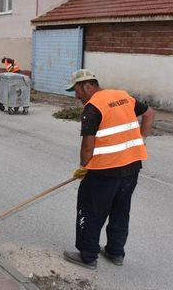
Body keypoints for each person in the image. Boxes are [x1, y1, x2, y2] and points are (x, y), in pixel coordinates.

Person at [63, 69, 155, 270]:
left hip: (104, 171)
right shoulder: (122, 96)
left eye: (77, 90)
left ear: (87, 85)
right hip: (132, 167)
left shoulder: (93, 107)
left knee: (90, 210)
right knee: (121, 210)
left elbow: (88, 146)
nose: (76, 95)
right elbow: (149, 114)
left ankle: (87, 256)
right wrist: (142, 141)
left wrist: (84, 168)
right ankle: (115, 252)